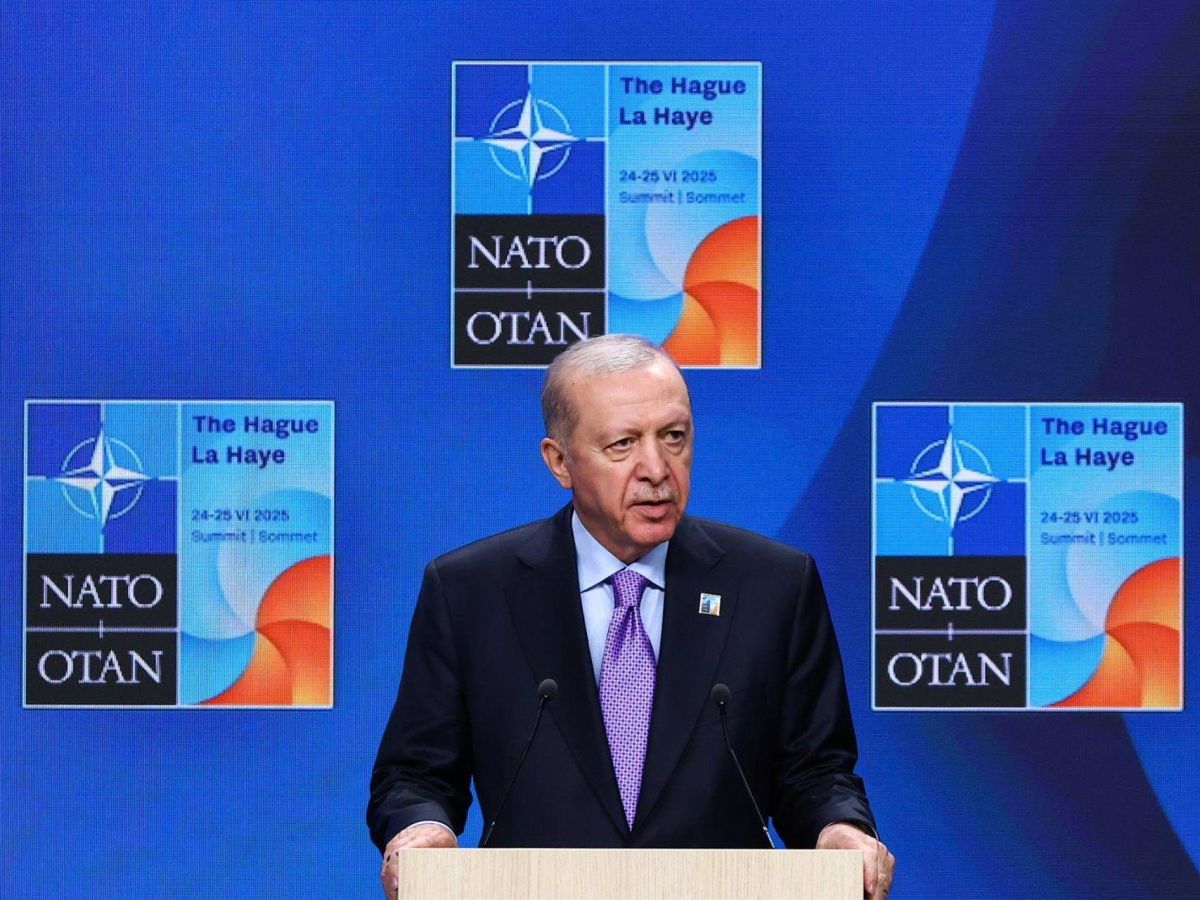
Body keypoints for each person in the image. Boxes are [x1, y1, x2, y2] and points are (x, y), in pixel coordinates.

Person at [368, 334, 895, 898]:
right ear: (559, 461)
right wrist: (420, 830)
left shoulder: (773, 585)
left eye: (674, 437)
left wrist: (840, 829)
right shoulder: (471, 591)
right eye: (623, 444)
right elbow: (417, 773)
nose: (657, 469)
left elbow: (815, 771)